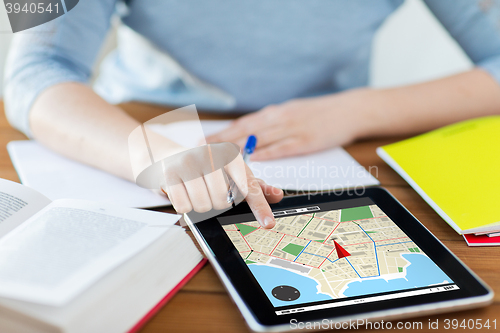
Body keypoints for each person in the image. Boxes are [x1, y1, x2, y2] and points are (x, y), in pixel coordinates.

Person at [5, 0, 500, 228]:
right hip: (130, 126)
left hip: (332, 146)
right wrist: (152, 152)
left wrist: (359, 110)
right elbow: (31, 70)